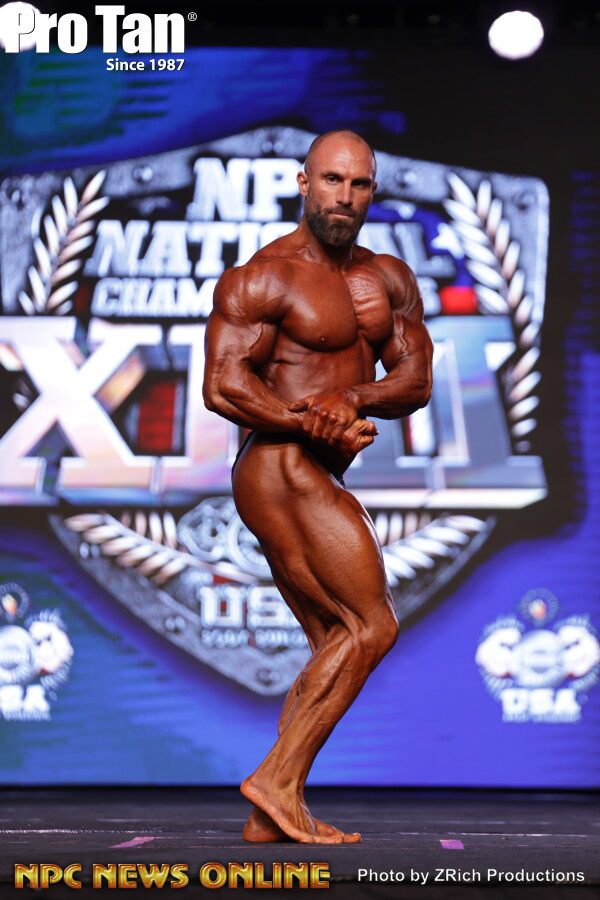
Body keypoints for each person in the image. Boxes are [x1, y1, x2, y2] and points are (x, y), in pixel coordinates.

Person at [203, 130, 433, 844]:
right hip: (277, 465)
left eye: (358, 184)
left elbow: (415, 379)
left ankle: (272, 812)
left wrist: (354, 398)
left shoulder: (388, 279)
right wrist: (308, 422)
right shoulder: (264, 277)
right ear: (304, 183)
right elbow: (223, 384)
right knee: (372, 626)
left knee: (336, 636)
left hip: (313, 467)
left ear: (372, 191)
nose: (344, 196)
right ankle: (275, 780)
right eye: (332, 180)